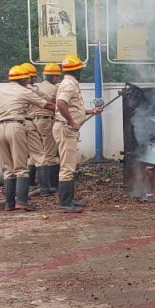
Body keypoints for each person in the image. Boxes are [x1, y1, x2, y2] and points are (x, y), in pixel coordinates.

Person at [0, 65, 53, 211]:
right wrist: (67, 112)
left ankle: (9, 204)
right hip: (16, 126)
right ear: (25, 79)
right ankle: (22, 201)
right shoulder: (25, 91)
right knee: (21, 167)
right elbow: (48, 105)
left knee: (7, 168)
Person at [53, 55, 102, 212]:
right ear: (76, 70)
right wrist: (72, 122)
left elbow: (73, 107)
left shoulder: (68, 83)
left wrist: (90, 111)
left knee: (69, 165)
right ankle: (65, 203)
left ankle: (70, 200)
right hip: (66, 129)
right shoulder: (69, 84)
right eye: (80, 69)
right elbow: (61, 103)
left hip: (65, 128)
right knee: (67, 167)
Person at [33, 63, 63, 195]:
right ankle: (50, 187)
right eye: (56, 76)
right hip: (46, 120)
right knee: (50, 154)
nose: (57, 78)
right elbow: (59, 105)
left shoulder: (37, 86)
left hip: (34, 121)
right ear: (50, 76)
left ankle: (32, 183)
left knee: (37, 154)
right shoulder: (56, 89)